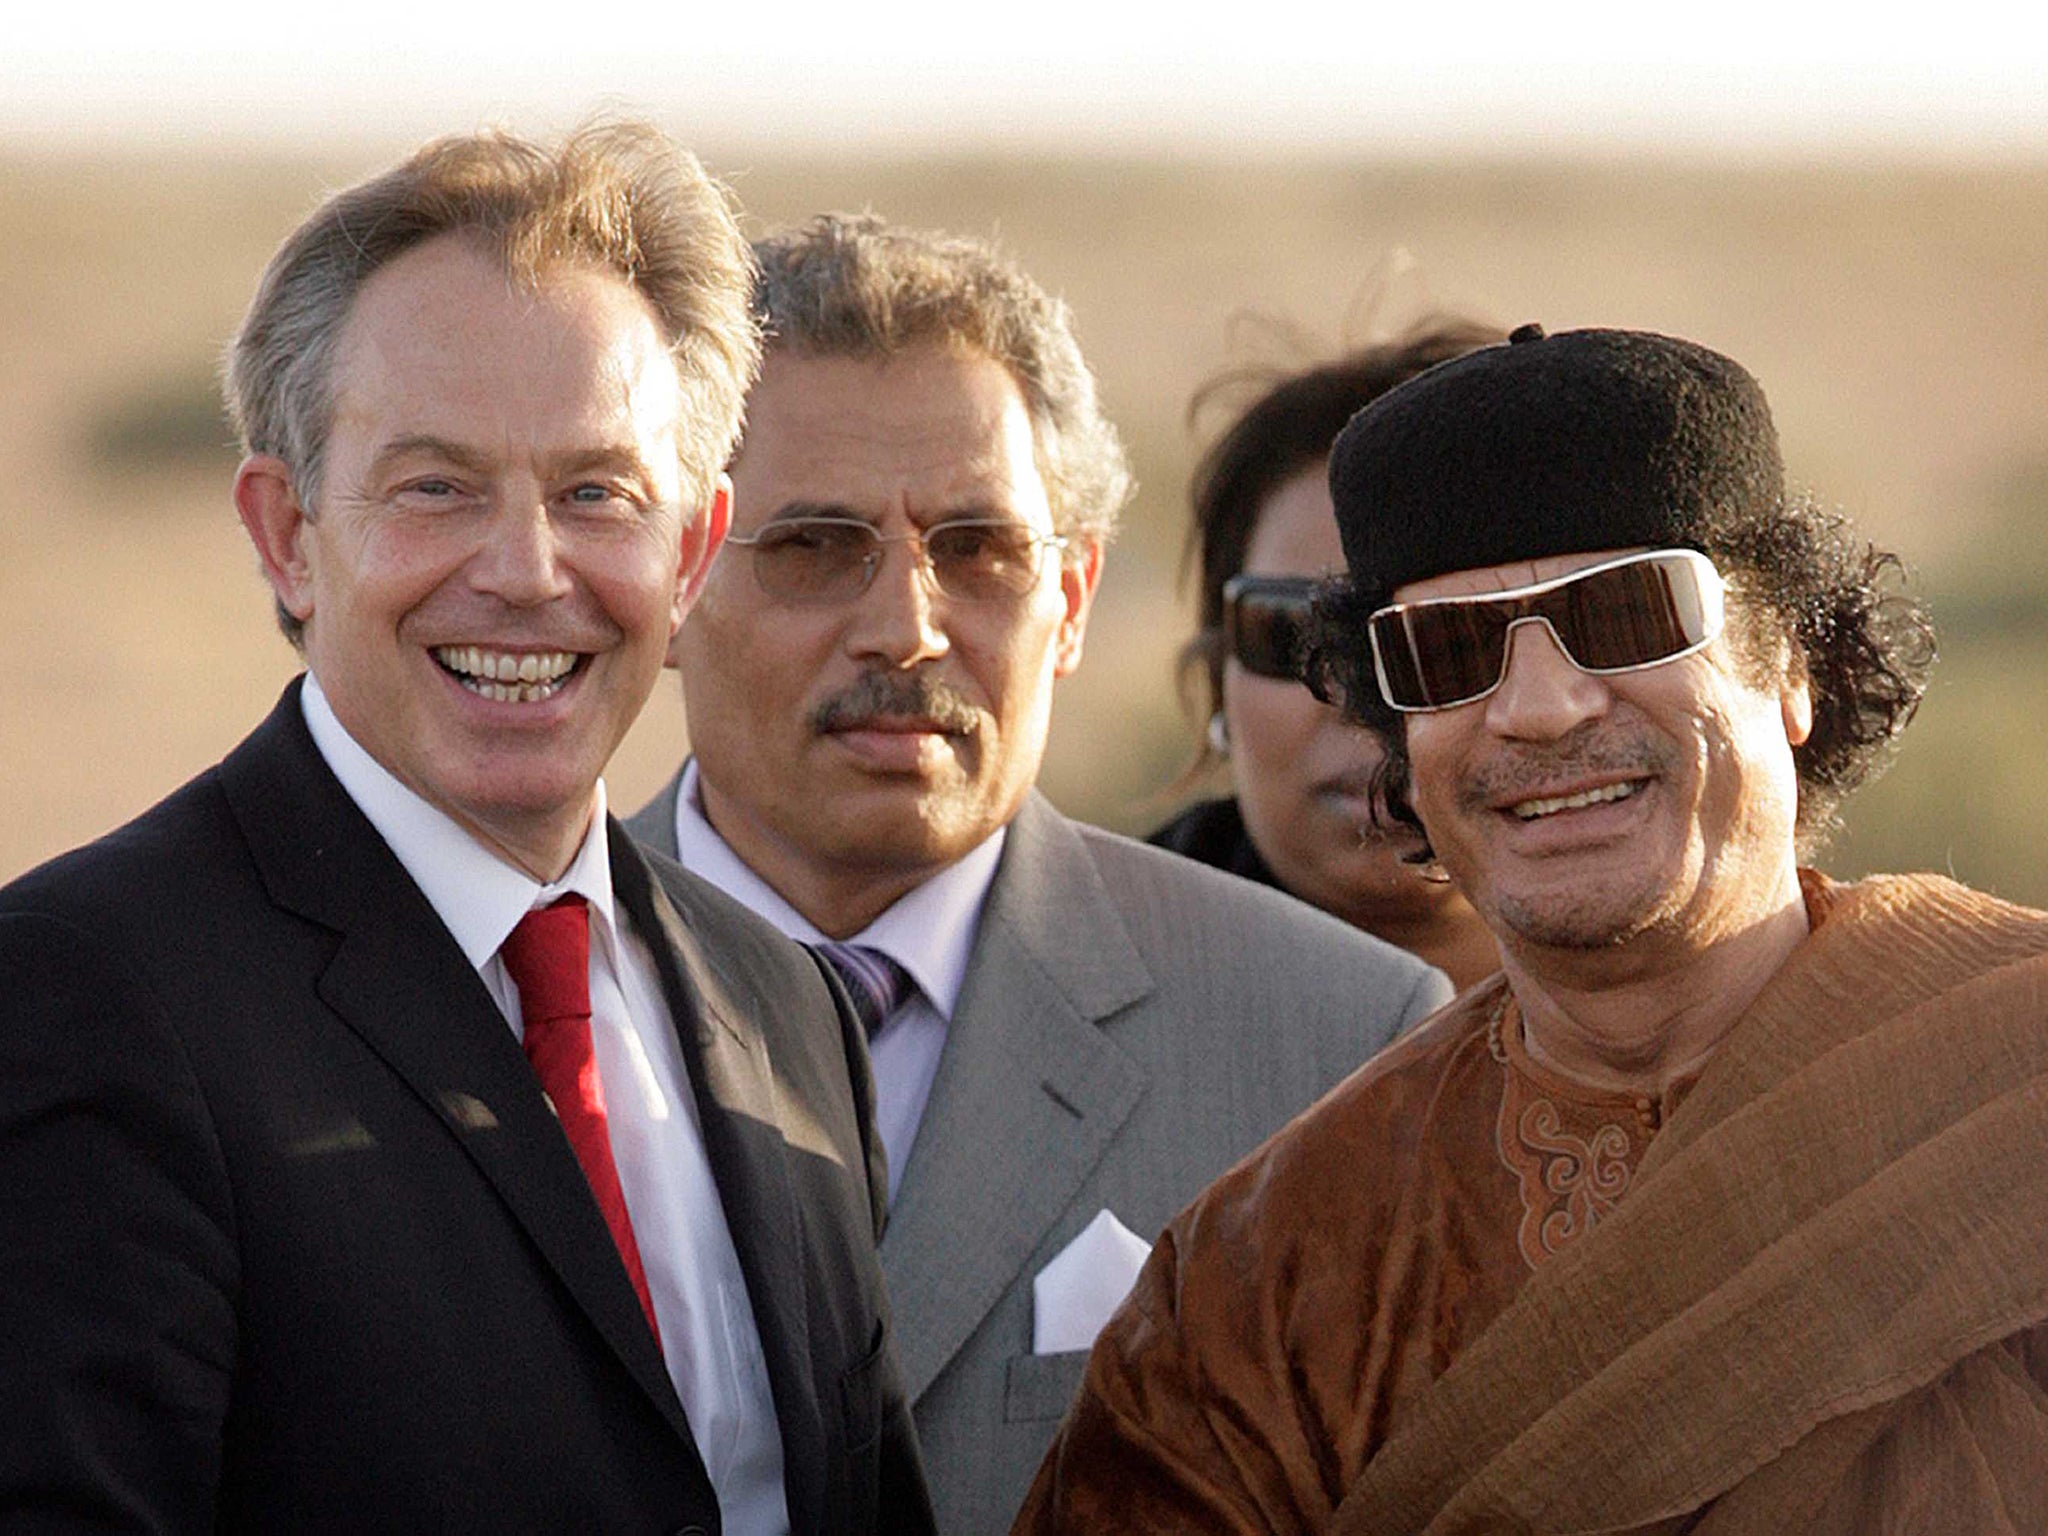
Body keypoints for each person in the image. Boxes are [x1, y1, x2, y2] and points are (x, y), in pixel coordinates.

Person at [0, 125, 932, 1533]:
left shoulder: (783, 1006)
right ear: (287, 534)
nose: (524, 572)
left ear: (688, 555)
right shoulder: (86, 993)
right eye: (436, 487)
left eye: (596, 494)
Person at [1019, 324, 2048, 1532]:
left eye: (1622, 616)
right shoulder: (1262, 1280)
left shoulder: (2015, 1078)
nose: (1540, 707)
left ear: (1791, 668)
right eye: (1449, 651)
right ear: (1396, 735)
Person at [626, 213, 1452, 1533]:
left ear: (1070, 598)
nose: (906, 627)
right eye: (815, 548)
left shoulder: (1346, 1051)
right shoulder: (485, 1000)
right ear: (667, 576)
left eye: (976, 551)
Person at [1148, 317, 1504, 990]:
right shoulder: (1060, 973)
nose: (1361, 700)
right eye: (1294, 634)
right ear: (1218, 681)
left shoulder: (1731, 981)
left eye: (1447, 637)